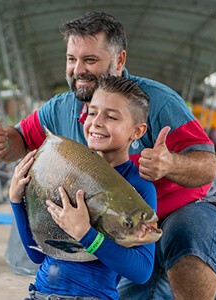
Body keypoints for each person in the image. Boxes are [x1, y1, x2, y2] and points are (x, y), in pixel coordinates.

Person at [0, 11, 216, 299]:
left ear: (119, 60)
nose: (78, 69)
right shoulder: (62, 107)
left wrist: (171, 163)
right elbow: (20, 140)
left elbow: (207, 166)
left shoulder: (158, 101)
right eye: (71, 59)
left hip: (187, 206)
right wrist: (1, 141)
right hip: (119, 220)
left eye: (90, 60)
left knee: (184, 236)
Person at [9, 75, 158, 299]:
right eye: (92, 113)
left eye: (111, 116)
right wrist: (15, 201)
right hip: (39, 293)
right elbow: (38, 255)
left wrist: (86, 234)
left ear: (137, 131)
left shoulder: (138, 187)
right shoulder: (67, 170)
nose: (97, 122)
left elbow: (142, 271)